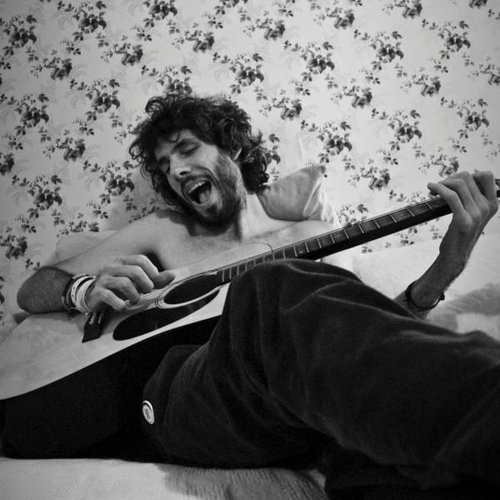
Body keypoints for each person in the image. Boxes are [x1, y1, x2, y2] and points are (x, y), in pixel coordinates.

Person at [5, 94, 500, 496]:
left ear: (234, 148)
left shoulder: (313, 233)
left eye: (187, 149)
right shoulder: (164, 230)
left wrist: (447, 266)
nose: (176, 171)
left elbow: (361, 343)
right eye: (165, 164)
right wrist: (83, 289)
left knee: (375, 454)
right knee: (268, 287)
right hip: (183, 392)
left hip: (288, 413)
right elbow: (33, 289)